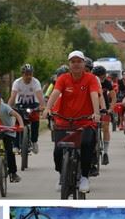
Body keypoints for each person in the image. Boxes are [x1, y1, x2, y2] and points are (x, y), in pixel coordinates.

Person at [42, 50, 100, 193]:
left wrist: (96, 113)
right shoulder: (63, 78)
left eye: (79, 61)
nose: (76, 64)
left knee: (86, 145)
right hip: (64, 121)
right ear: (69, 64)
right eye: (73, 62)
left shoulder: (91, 78)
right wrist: (47, 108)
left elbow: (94, 94)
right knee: (58, 151)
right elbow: (55, 93)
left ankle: (85, 177)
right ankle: (62, 175)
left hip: (85, 121)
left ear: (83, 63)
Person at [7, 63, 45, 154]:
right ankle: (16, 145)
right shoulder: (17, 82)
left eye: (30, 74)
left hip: (33, 104)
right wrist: (8, 108)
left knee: (35, 120)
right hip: (20, 104)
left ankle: (34, 141)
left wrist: (42, 106)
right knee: (17, 122)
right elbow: (13, 96)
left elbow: (40, 95)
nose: (28, 76)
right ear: (22, 74)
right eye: (26, 74)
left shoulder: (35, 82)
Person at [0, 98, 25, 183]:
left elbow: (17, 115)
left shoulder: (5, 107)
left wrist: (21, 125)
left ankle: (13, 173)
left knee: (9, 152)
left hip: (8, 132)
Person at [92, 65, 115, 165]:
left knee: (105, 127)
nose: (102, 78)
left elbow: (114, 97)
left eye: (103, 76)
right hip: (93, 108)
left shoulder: (107, 83)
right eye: (100, 76)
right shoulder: (92, 82)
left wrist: (110, 109)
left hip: (104, 109)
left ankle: (105, 152)